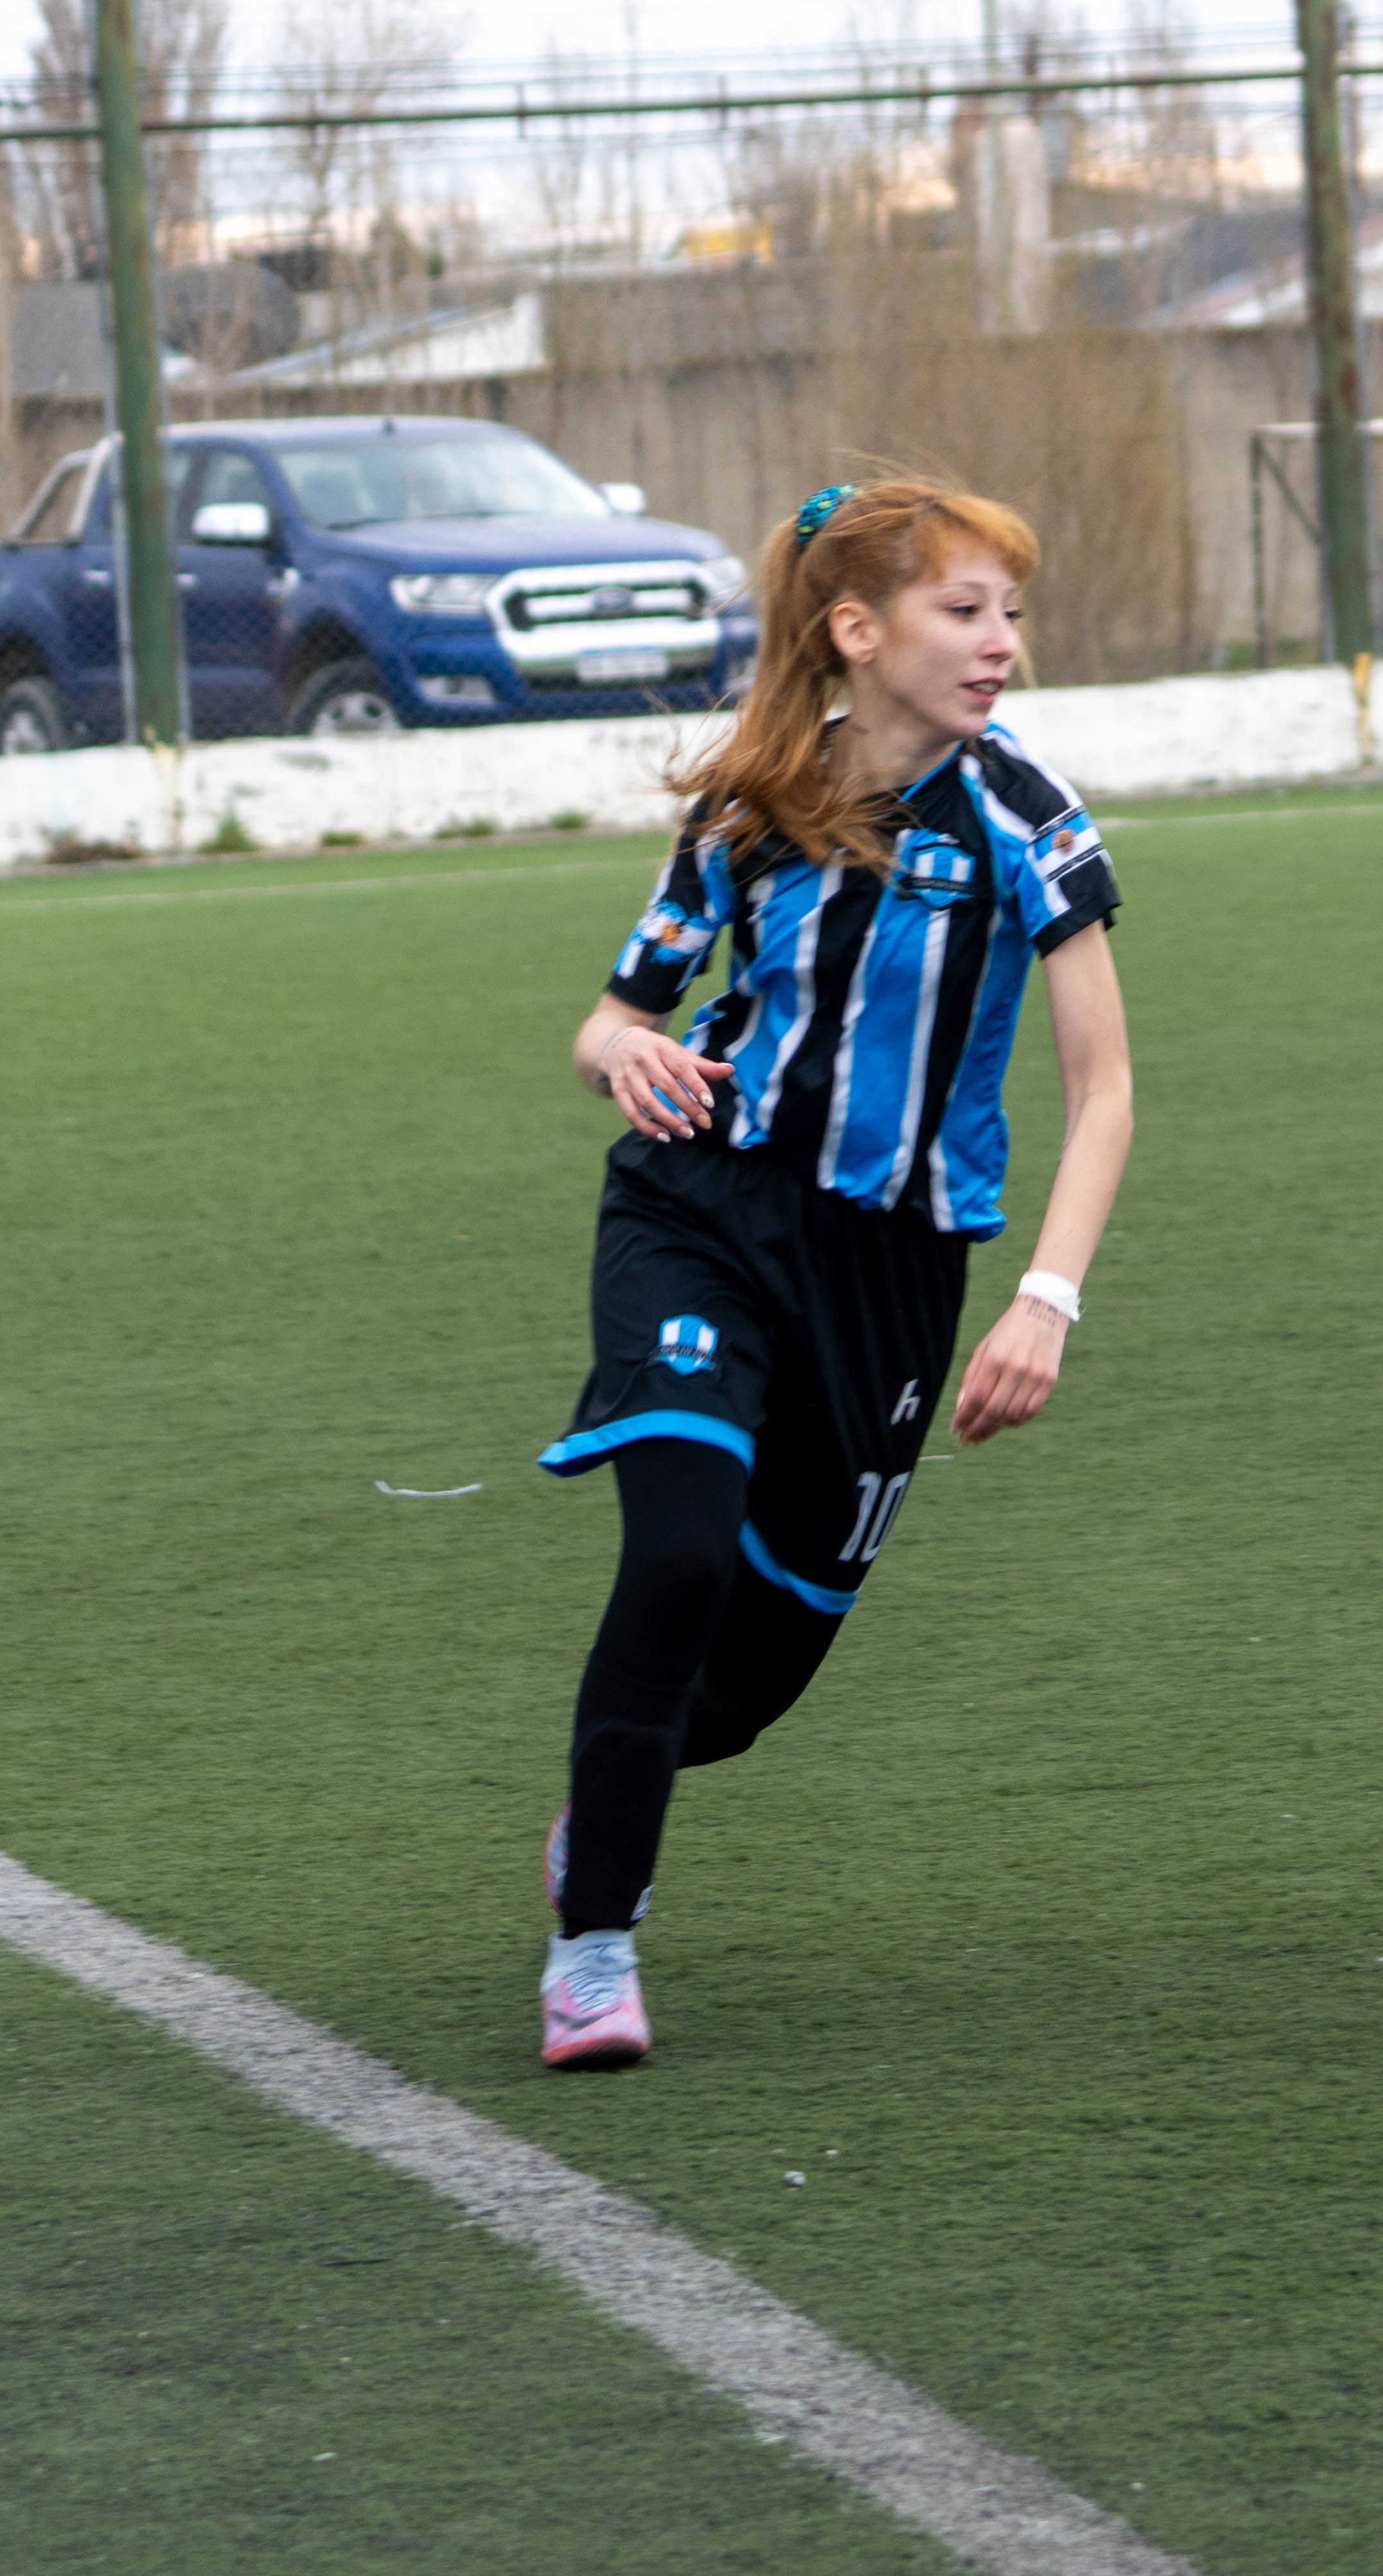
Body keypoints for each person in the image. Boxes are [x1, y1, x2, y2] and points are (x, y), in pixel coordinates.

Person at [529, 478, 1133, 2069]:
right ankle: (595, 1939)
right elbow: (617, 1016)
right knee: (676, 1549)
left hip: (893, 1273)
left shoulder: (1022, 811)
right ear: (857, 630)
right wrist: (622, 1058)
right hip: (704, 1210)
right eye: (965, 610)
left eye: (1011, 613)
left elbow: (1107, 1089)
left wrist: (1047, 1297)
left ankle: (609, 1796)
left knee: (749, 1683)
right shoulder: (750, 806)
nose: (1001, 643)